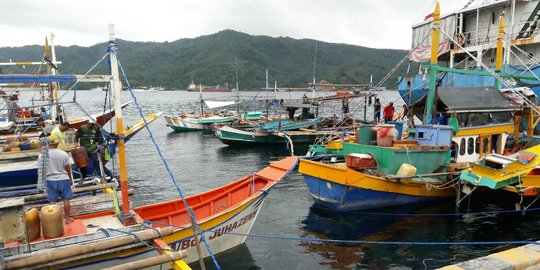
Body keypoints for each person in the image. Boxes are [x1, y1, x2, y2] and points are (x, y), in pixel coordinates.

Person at [37, 137, 74, 224]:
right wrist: (70, 178)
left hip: (50, 180)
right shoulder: (63, 154)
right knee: (66, 199)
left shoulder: (42, 155)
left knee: (52, 201)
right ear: (57, 144)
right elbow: (68, 168)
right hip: (63, 178)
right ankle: (67, 218)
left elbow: (39, 171)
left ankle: (54, 221)